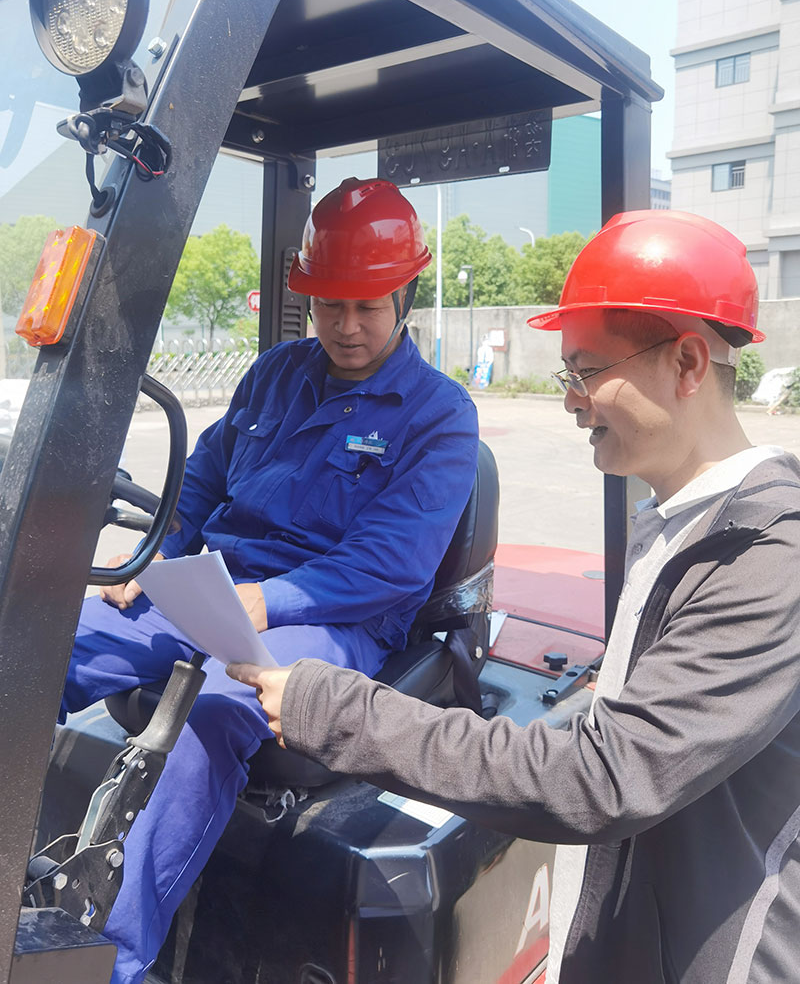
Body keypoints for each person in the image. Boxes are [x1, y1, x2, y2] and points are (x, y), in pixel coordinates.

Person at [230, 209, 800, 984]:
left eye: (586, 372)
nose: (571, 402)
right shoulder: (680, 524)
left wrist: (333, 709)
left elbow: (602, 777)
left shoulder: (766, 556)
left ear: (689, 362)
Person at [60, 177, 479, 984]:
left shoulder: (438, 415)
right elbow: (202, 477)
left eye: (366, 306)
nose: (346, 327)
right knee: (49, 640)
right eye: (328, 306)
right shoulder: (276, 374)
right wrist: (159, 549)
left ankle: (112, 960)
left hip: (333, 616)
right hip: (216, 589)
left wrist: (266, 599)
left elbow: (387, 565)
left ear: (404, 295)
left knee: (213, 710)